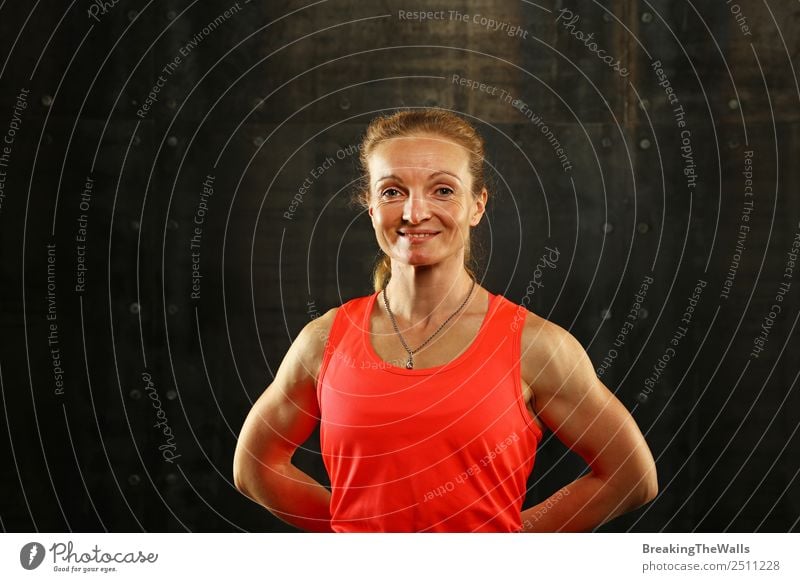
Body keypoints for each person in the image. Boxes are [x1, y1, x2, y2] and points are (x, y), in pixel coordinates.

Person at [233, 108, 658, 532]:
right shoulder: (323, 340)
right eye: (392, 191)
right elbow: (255, 466)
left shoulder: (535, 345)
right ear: (370, 206)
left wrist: (509, 544)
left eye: (442, 190)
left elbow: (630, 476)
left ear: (477, 205)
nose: (414, 213)